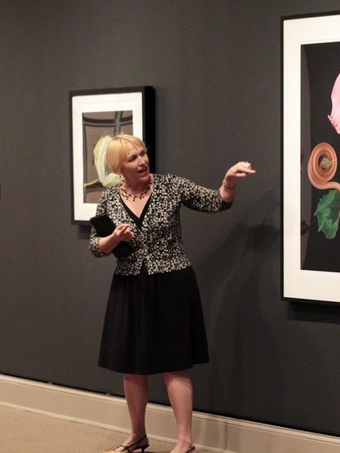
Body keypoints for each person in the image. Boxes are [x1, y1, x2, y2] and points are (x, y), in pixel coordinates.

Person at [89, 134, 255, 453]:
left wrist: (228, 182)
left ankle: (184, 441)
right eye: (133, 158)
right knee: (132, 365)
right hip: (129, 284)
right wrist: (113, 239)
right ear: (118, 168)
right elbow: (96, 246)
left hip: (171, 282)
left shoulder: (171, 186)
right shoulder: (108, 199)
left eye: (143, 153)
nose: (142, 161)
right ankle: (138, 435)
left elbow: (216, 201)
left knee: (174, 363)